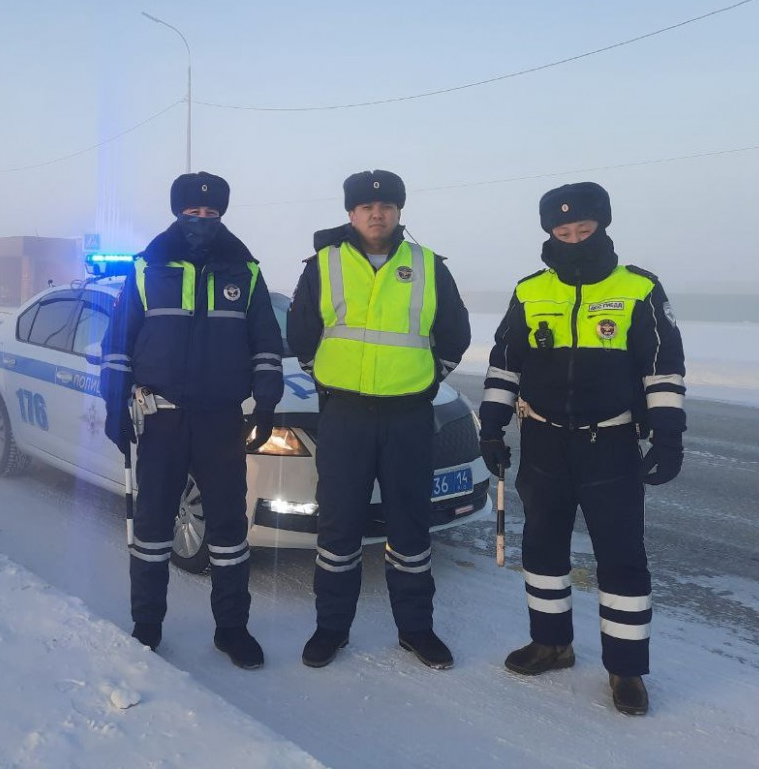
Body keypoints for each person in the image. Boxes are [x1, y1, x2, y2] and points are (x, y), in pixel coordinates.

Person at [478, 181, 686, 716]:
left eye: (583, 229)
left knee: (621, 558)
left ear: (603, 227)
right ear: (550, 232)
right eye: (562, 231)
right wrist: (492, 427)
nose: (572, 239)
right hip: (544, 441)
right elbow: (504, 365)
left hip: (610, 444)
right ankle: (552, 644)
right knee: (543, 550)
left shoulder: (639, 288)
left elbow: (661, 370)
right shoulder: (529, 291)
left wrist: (667, 434)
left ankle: (626, 670)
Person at [287, 170, 471, 669]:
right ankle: (330, 630)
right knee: (339, 527)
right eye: (367, 207)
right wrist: (328, 382)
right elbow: (301, 335)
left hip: (408, 416)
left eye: (387, 206)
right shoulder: (323, 264)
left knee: (410, 529)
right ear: (350, 213)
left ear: (398, 212)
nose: (377, 213)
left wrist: (427, 380)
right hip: (345, 417)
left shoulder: (428, 265)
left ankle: (416, 630)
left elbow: (454, 334)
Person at [101, 171, 285, 670]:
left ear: (222, 215)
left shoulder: (244, 271)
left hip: (220, 421)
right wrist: (114, 405)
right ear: (177, 212)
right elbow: (118, 343)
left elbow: (266, 343)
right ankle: (147, 625)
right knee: (153, 527)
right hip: (158, 419)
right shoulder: (147, 268)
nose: (201, 221)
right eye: (192, 213)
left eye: (211, 214)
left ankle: (232, 629)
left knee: (227, 530)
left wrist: (266, 402)